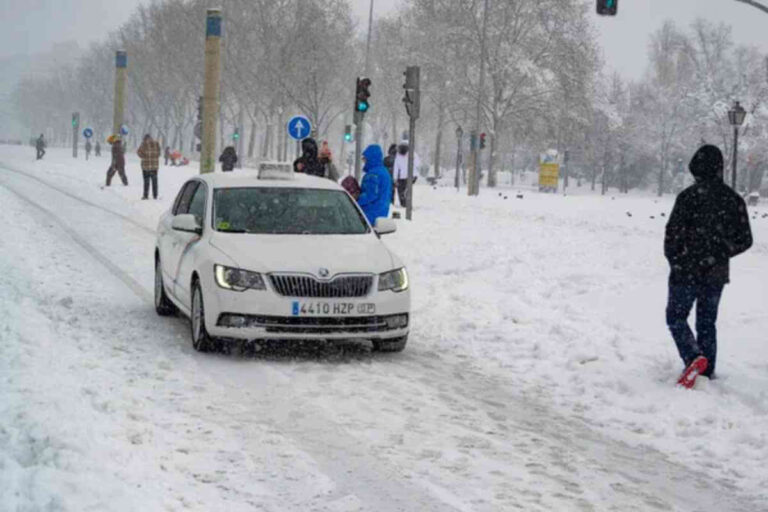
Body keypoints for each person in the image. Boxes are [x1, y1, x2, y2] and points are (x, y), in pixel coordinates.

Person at [664, 144, 753, 386]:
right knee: (706, 321)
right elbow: (746, 239)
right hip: (715, 273)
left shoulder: (688, 197)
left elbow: (671, 234)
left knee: (675, 317)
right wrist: (720, 253)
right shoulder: (733, 200)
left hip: (685, 271)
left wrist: (676, 261)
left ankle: (693, 357)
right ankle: (706, 371)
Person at [357, 144, 392, 226]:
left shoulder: (373, 174)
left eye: (365, 159)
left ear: (371, 159)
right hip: (381, 212)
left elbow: (370, 195)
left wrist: (355, 202)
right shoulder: (383, 171)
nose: (364, 161)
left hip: (370, 214)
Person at [393, 143, 420, 207]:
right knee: (407, 188)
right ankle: (407, 200)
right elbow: (417, 164)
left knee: (401, 190)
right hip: (412, 175)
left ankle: (403, 202)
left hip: (402, 176)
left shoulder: (398, 156)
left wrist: (395, 178)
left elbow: (396, 168)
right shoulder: (412, 154)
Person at [137, 134, 161, 199]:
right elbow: (159, 153)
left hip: (146, 166)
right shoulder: (156, 143)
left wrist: (143, 156)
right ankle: (155, 195)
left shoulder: (143, 144)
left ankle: (145, 195)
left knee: (146, 181)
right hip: (154, 166)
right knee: (154, 181)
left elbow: (138, 152)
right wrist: (154, 157)